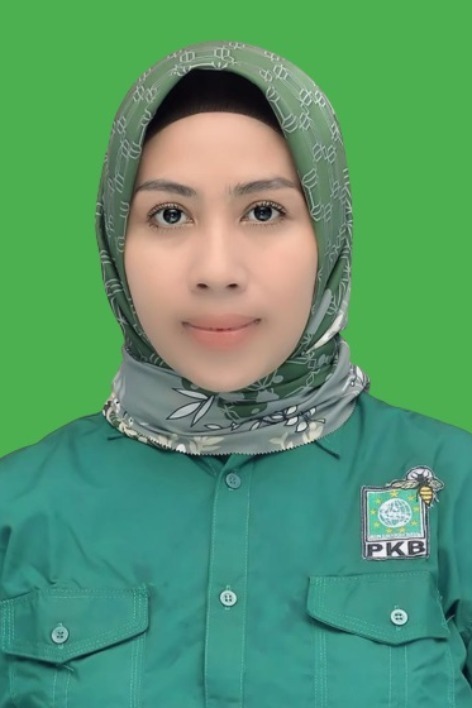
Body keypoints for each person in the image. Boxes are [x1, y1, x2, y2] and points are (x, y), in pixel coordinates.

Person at [0, 40, 471, 707]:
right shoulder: (19, 507)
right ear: (115, 241)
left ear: (329, 234)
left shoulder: (451, 486)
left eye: (264, 211)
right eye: (170, 215)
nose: (216, 270)